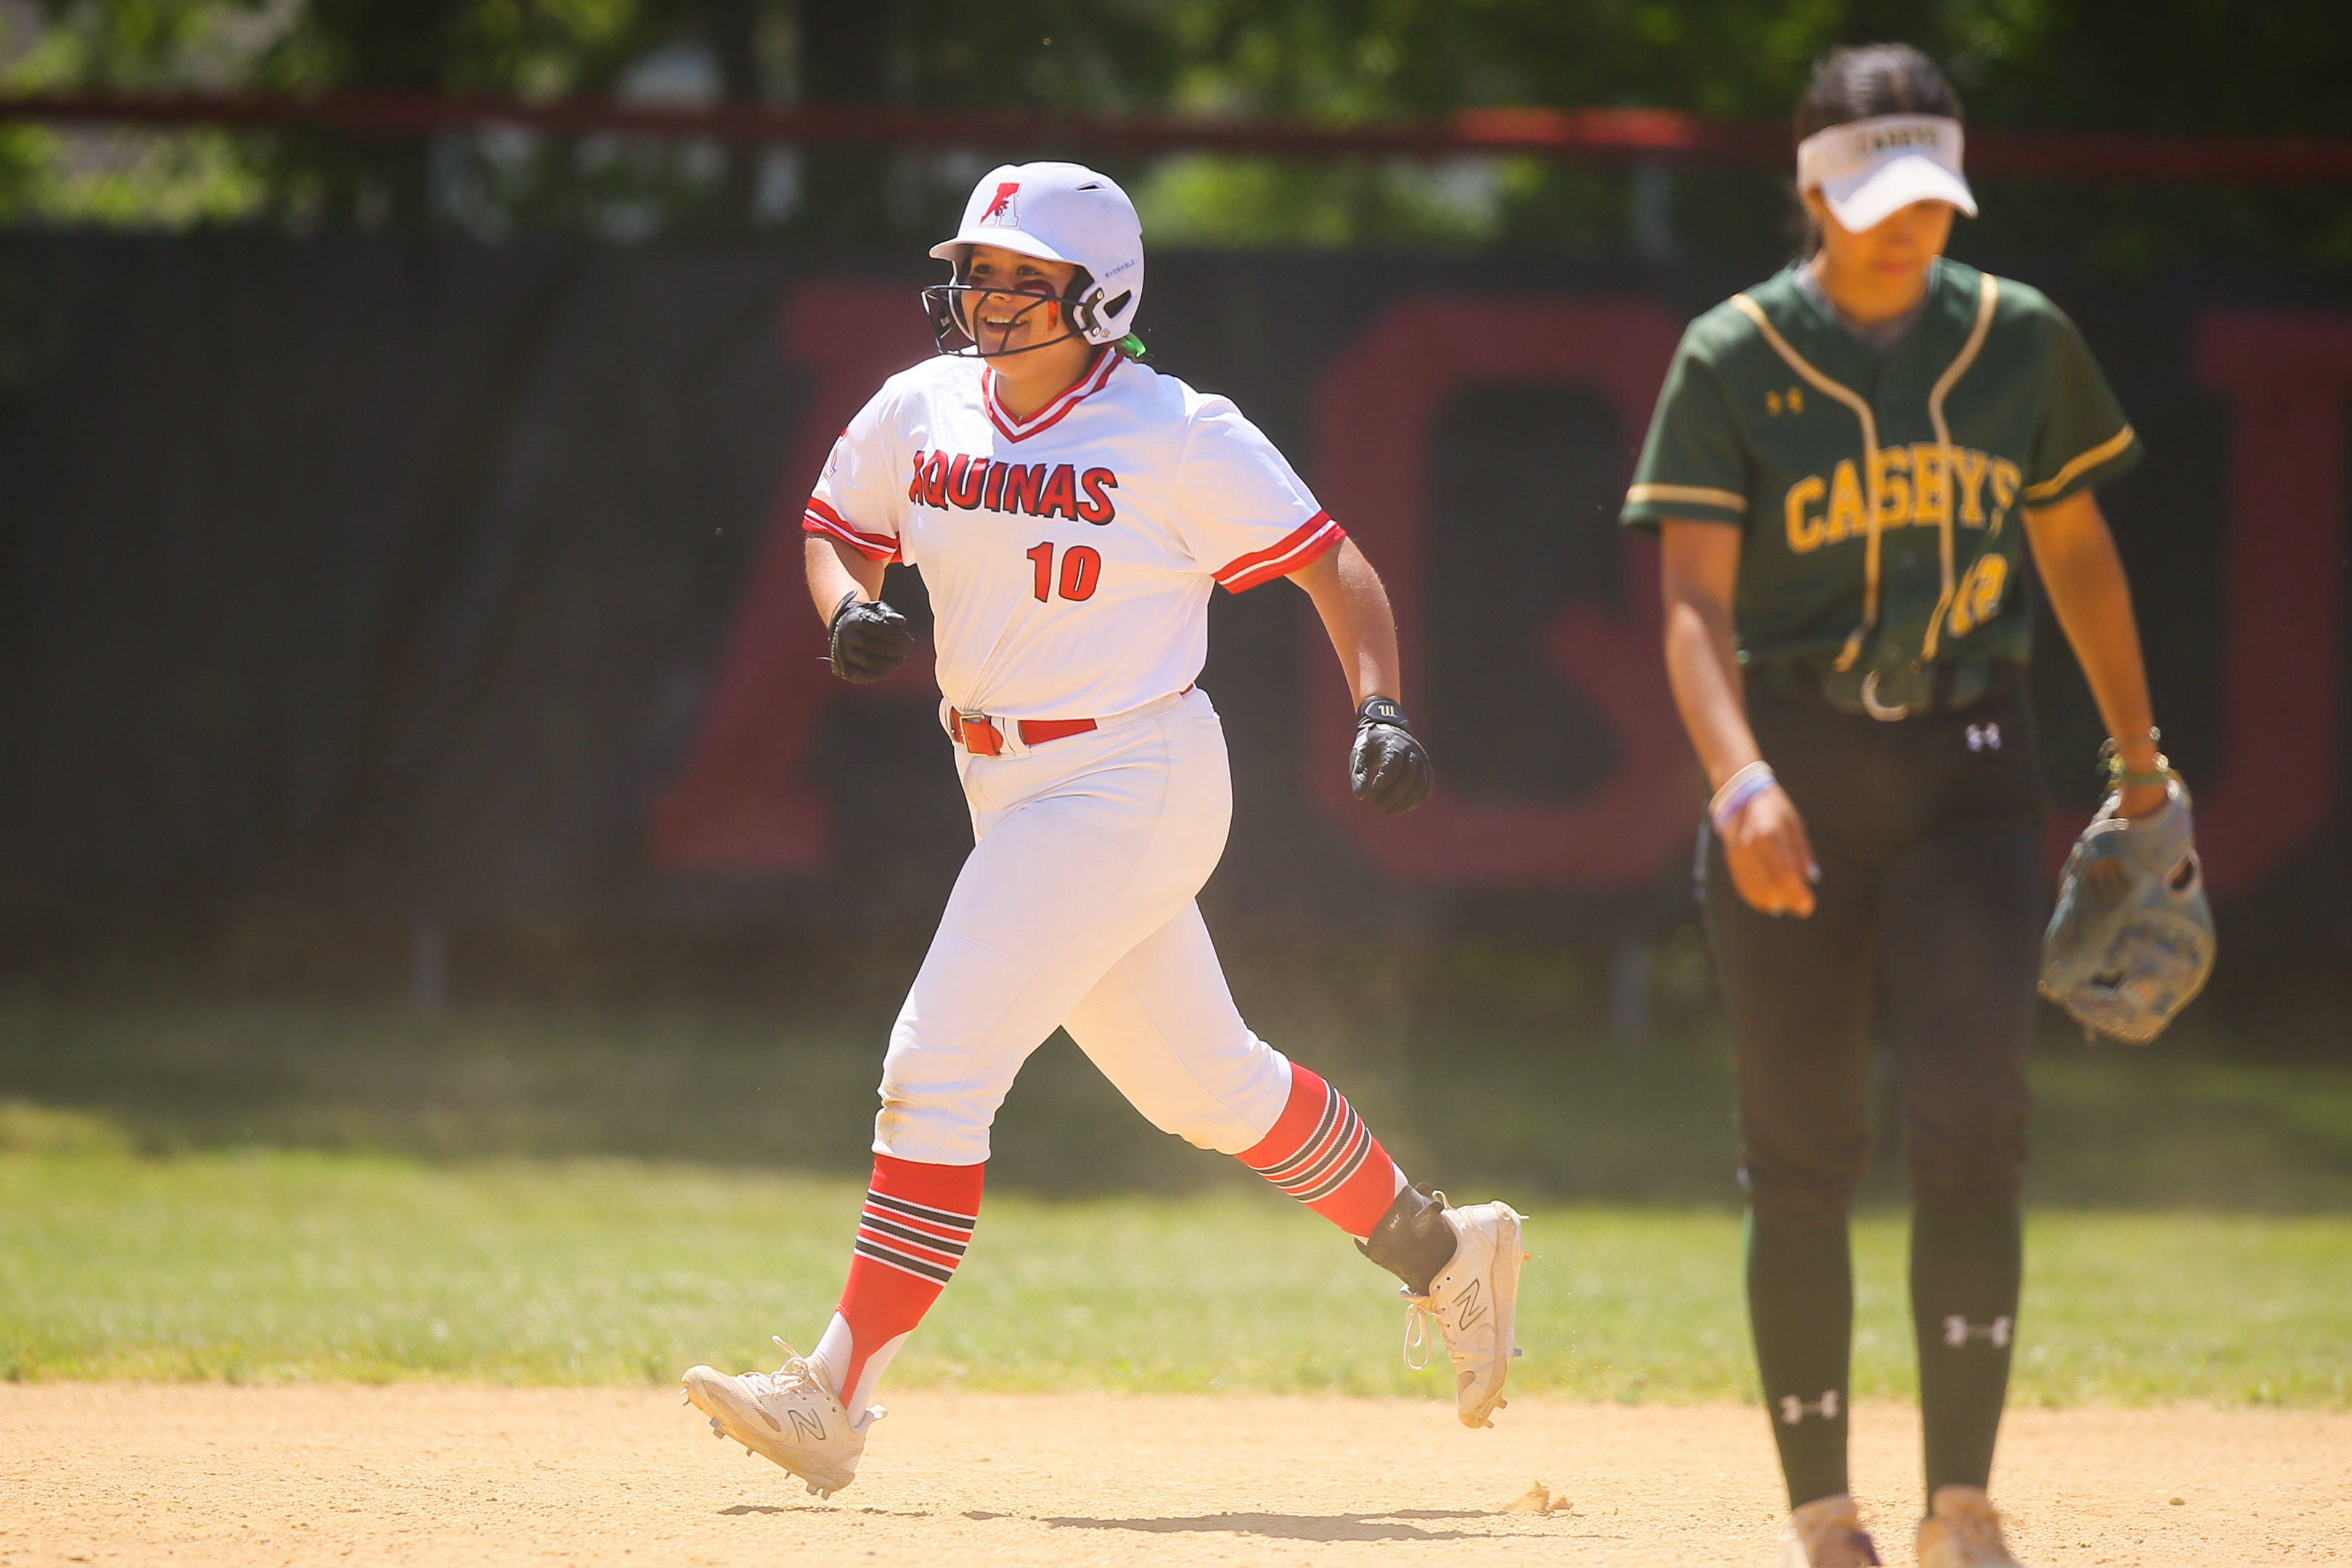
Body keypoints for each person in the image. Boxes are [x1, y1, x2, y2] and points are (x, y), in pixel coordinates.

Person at [681, 162, 1526, 1498]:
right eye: (980, 270)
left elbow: (1332, 562)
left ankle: (835, 1394)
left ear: (1105, 294)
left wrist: (1384, 707)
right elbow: (835, 528)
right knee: (1210, 1089)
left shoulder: (1178, 429)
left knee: (936, 1061)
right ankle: (1444, 1249)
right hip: (1006, 786)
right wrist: (849, 606)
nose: (988, 296)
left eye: (1025, 277)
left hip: (1135, 774)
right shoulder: (923, 401)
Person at [1622, 45, 2180, 1568]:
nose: (1904, 228)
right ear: (1811, 185)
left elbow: (2074, 552)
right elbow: (1689, 608)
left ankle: (1963, 1509)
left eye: (1928, 201)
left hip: (1969, 771)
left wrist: (2143, 764)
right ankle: (1825, 1514)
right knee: (1801, 1147)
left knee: (1973, 1123)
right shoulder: (1732, 355)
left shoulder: (2020, 341)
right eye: (1873, 198)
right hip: (1791, 767)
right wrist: (1738, 778)